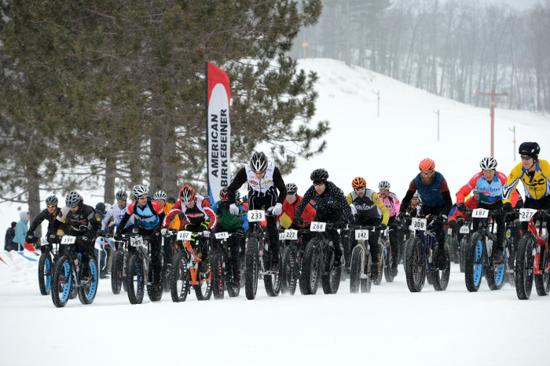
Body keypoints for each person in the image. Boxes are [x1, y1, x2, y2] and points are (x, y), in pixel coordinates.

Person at [226, 151, 287, 267]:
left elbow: (283, 190)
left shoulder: (273, 170)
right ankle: (248, 255)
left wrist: (279, 204)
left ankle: (275, 258)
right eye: (256, 173)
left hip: (270, 196)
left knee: (271, 226)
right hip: (254, 197)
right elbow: (231, 188)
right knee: (251, 227)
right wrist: (232, 203)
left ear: (266, 167)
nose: (258, 175)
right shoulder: (245, 170)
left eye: (262, 172)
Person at [455, 157, 520, 262]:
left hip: (498, 203)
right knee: (475, 222)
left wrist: (509, 204)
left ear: (495, 170)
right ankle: (475, 245)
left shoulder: (502, 178)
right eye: (485, 171)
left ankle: (499, 249)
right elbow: (462, 191)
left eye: (490, 171)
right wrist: (460, 202)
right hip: (483, 204)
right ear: (482, 171)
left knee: (500, 221)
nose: (488, 174)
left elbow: (513, 193)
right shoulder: (477, 178)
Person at [400, 158, 453, 269]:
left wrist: (443, 215)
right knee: (419, 228)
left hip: (441, 207)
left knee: (438, 227)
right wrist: (401, 211)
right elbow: (407, 198)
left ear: (433, 171)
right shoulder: (415, 181)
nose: (427, 176)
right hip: (427, 207)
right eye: (424, 173)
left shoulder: (440, 180)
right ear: (420, 172)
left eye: (429, 173)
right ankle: (420, 249)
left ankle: (441, 252)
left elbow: (449, 201)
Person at [294, 169, 352, 267]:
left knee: (333, 234)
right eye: (316, 185)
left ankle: (338, 256)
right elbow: (302, 204)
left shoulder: (333, 188)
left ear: (325, 183)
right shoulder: (312, 190)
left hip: (336, 213)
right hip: (322, 213)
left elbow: (346, 206)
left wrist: (345, 220)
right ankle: (309, 254)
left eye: (320, 185)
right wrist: (297, 216)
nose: (318, 188)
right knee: (311, 232)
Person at [116, 185, 164, 290]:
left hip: (155, 229)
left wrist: (160, 229)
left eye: (146, 197)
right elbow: (124, 220)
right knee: (131, 244)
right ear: (136, 199)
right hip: (141, 228)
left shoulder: (155, 205)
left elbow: (163, 218)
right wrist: (118, 232)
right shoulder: (132, 206)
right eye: (142, 198)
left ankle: (156, 281)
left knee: (155, 256)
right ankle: (134, 264)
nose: (145, 200)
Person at [503, 142, 550, 231]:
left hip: (547, 199)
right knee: (524, 227)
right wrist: (506, 202)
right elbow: (508, 188)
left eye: (527, 158)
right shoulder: (519, 169)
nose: (524, 161)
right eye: (522, 158)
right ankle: (527, 243)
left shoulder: (544, 166)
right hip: (530, 201)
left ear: (535, 158)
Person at [346, 177, 389, 272]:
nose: (360, 191)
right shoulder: (351, 196)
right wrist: (344, 220)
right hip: (360, 219)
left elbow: (385, 210)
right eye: (357, 189)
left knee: (373, 242)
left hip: (374, 219)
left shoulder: (372, 195)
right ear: (354, 189)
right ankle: (351, 264)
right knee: (352, 240)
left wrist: (384, 223)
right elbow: (343, 208)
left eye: (362, 188)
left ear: (365, 187)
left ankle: (375, 264)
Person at [54, 192, 101, 278]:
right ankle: (62, 271)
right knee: (64, 248)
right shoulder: (65, 210)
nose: (72, 209)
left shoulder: (88, 210)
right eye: (69, 207)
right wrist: (56, 231)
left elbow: (96, 226)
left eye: (74, 207)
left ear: (79, 203)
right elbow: (57, 223)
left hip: (88, 231)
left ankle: (86, 273)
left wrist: (87, 236)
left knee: (85, 250)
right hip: (73, 231)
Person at [378, 180, 401, 273]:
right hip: (380, 219)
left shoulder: (393, 196)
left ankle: (394, 265)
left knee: (393, 241)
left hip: (391, 219)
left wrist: (397, 218)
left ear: (388, 190)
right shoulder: (376, 196)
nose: (383, 192)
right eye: (381, 190)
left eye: (385, 190)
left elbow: (397, 207)